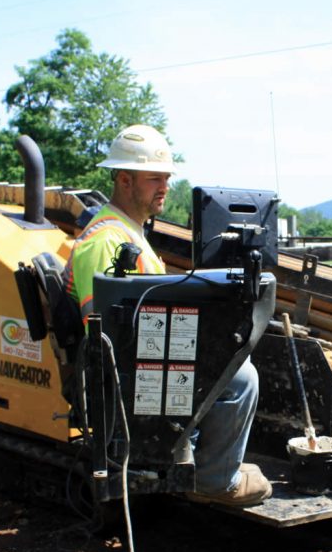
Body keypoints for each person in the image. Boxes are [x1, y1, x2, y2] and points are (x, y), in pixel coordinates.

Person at [63, 124, 272, 507]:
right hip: (131, 369)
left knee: (232, 352)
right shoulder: (106, 239)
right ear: (125, 180)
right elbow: (104, 329)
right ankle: (216, 480)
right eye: (154, 178)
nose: (165, 187)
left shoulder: (128, 232)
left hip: (145, 354)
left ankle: (190, 451)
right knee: (241, 376)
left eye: (166, 178)